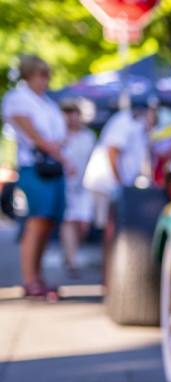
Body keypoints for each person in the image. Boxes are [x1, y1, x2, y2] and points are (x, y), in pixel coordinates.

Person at [1, 55, 67, 299]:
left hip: (54, 165)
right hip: (36, 167)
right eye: (40, 75)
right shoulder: (18, 99)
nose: (45, 80)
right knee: (37, 221)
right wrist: (62, 156)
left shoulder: (46, 102)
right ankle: (29, 279)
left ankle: (38, 276)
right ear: (28, 75)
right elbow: (35, 135)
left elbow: (57, 134)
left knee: (48, 223)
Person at [90, 93, 157, 270]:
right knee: (110, 227)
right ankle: (108, 271)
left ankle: (111, 270)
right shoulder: (125, 122)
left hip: (114, 184)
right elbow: (112, 152)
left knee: (113, 226)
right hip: (106, 183)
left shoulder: (138, 125)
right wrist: (120, 184)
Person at [58, 98, 95, 277]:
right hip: (65, 185)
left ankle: (70, 253)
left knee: (83, 224)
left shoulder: (88, 137)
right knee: (68, 221)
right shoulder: (58, 136)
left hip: (84, 185)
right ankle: (72, 260)